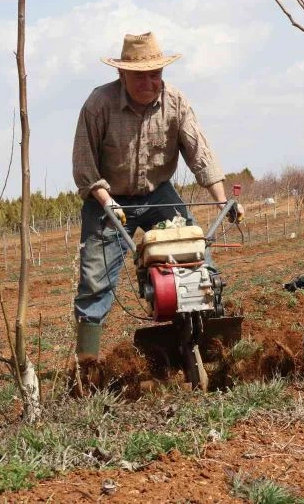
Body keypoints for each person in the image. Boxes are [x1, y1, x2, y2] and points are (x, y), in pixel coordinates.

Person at [71, 31, 244, 362]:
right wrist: (107, 201)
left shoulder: (175, 102)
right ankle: (86, 364)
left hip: (158, 194)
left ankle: (204, 335)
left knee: (196, 256)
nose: (149, 82)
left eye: (155, 74)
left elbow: (201, 154)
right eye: (140, 76)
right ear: (121, 74)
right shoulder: (99, 104)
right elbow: (84, 165)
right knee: (94, 281)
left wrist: (222, 199)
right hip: (107, 197)